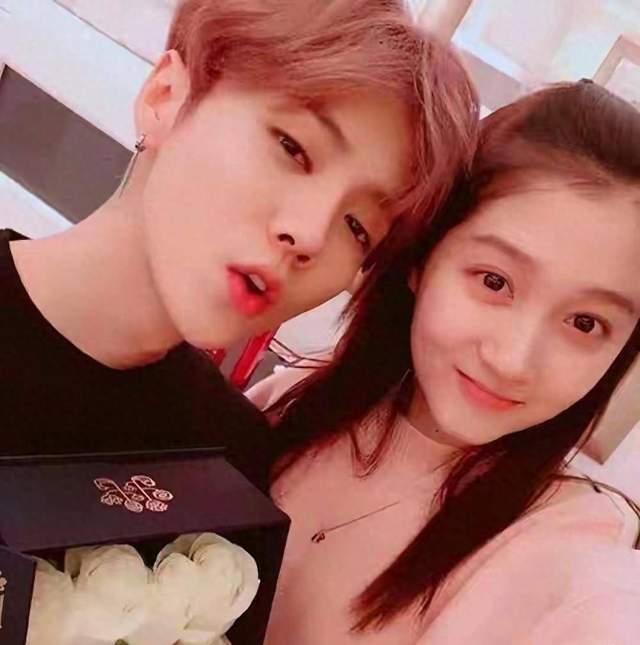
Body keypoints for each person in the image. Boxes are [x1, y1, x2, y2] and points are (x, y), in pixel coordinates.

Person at [0, 0, 478, 490]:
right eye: (293, 148)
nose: (310, 235)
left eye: (358, 228)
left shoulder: (230, 468)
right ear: (165, 97)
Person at [249, 80, 640, 642]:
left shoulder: (567, 548)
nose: (513, 360)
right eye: (494, 281)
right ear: (422, 258)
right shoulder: (293, 400)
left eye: (584, 323)